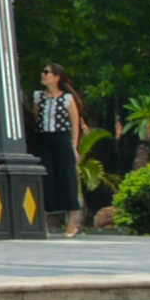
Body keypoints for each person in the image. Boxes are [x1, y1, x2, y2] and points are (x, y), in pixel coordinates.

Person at [32, 64, 87, 236]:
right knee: (45, 179)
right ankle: (45, 223)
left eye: (47, 72)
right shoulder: (39, 97)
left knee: (67, 178)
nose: (43, 74)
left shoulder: (67, 99)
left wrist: (73, 146)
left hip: (62, 140)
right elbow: (36, 116)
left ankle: (71, 225)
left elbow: (74, 124)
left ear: (57, 77)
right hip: (45, 139)